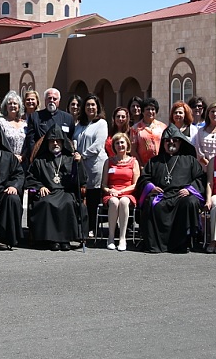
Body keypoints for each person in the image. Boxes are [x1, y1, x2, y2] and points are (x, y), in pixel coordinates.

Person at [136, 125, 205, 254]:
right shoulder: (154, 161)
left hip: (181, 196)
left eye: (175, 140)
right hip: (161, 196)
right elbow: (143, 179)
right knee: (149, 202)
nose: (171, 142)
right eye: (167, 140)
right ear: (163, 143)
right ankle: (153, 244)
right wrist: (151, 188)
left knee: (190, 202)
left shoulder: (190, 160)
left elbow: (200, 178)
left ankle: (185, 243)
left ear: (180, 142)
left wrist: (190, 190)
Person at [28, 129, 81, 251]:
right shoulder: (40, 161)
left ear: (63, 143)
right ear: (47, 143)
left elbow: (80, 179)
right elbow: (31, 178)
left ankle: (65, 239)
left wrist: (78, 164)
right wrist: (40, 186)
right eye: (52, 141)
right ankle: (52, 240)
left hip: (65, 191)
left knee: (68, 203)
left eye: (58, 141)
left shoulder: (70, 158)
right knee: (46, 203)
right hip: (48, 191)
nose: (55, 144)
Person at [76, 95, 109, 238]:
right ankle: (81, 226)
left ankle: (92, 228)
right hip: (79, 165)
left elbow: (98, 145)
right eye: (88, 105)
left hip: (95, 165)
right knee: (81, 196)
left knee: (93, 198)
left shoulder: (101, 123)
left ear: (98, 107)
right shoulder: (79, 124)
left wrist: (82, 155)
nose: (90, 107)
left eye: (93, 105)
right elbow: (73, 140)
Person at [103, 132, 140, 251]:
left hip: (128, 193)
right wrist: (109, 190)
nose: (120, 145)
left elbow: (135, 184)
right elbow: (103, 184)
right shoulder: (108, 162)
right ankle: (111, 237)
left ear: (127, 144)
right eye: (117, 143)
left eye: (122, 142)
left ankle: (122, 238)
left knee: (123, 201)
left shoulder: (134, 162)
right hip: (112, 193)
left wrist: (122, 191)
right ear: (114, 146)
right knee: (114, 202)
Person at [23, 88, 74, 165]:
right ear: (45, 100)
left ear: (59, 101)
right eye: (49, 98)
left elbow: (69, 139)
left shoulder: (68, 118)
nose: (52, 100)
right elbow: (31, 141)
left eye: (55, 98)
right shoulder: (35, 117)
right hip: (42, 161)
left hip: (62, 161)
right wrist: (34, 159)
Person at [131, 97, 167, 166]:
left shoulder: (163, 127)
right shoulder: (135, 128)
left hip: (161, 164)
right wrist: (140, 165)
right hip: (144, 165)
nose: (150, 112)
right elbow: (133, 150)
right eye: (148, 109)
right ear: (143, 111)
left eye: (153, 109)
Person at [193, 101, 216, 167]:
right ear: (208, 113)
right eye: (212, 111)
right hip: (204, 167)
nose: (214, 114)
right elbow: (198, 149)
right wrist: (207, 163)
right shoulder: (201, 131)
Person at [0, 91, 28, 162]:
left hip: (23, 161)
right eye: (10, 104)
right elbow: (0, 143)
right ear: (6, 106)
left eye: (15, 103)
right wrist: (12, 157)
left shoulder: (25, 124)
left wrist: (23, 156)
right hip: (6, 160)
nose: (12, 105)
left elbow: (28, 143)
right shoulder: (1, 122)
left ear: (19, 106)